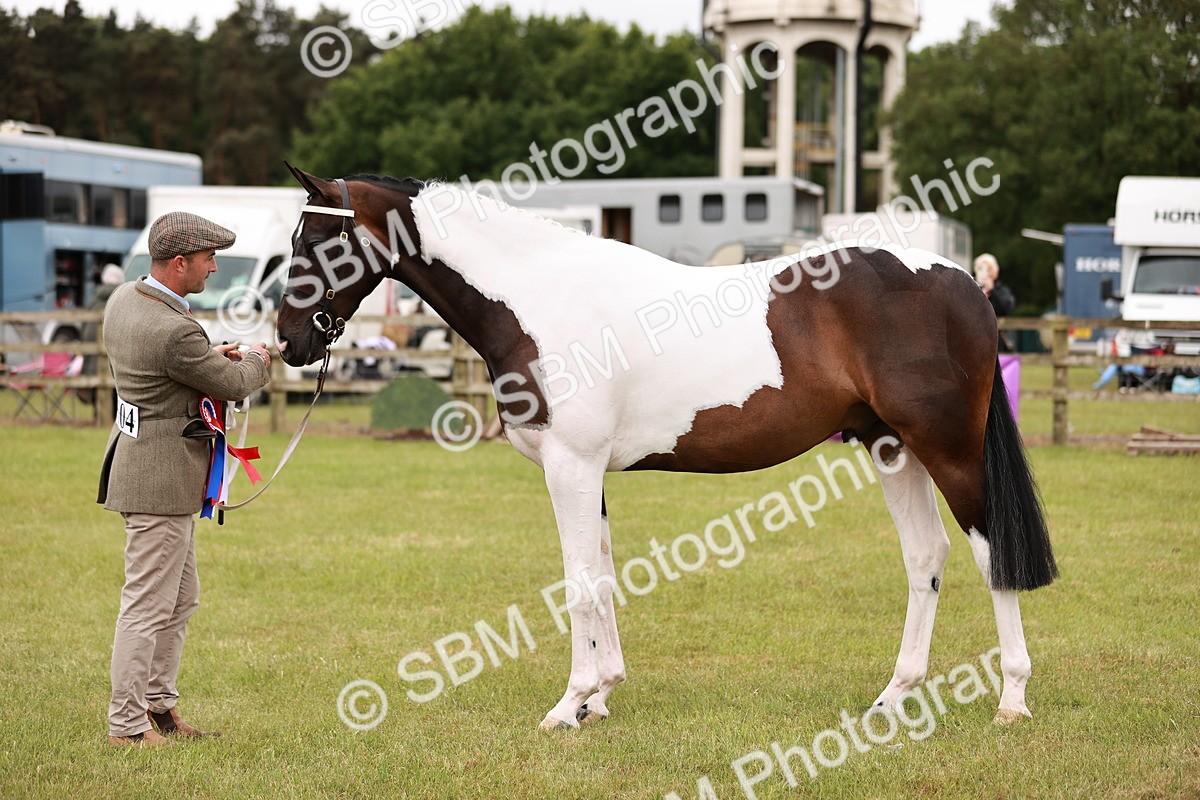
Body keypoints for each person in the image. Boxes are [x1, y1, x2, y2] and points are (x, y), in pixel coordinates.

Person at [97, 211, 272, 748]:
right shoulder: (175, 331)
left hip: (144, 467)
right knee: (149, 606)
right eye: (206, 260)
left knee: (179, 598)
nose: (213, 268)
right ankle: (127, 728)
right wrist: (260, 355)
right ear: (179, 264)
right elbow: (236, 384)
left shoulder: (126, 299)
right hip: (161, 480)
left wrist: (206, 356)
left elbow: (171, 367)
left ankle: (159, 706)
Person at [79, 263, 125, 405]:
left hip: (91, 354)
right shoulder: (121, 301)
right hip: (114, 359)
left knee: (97, 387)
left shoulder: (93, 301)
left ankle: (97, 417)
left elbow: (83, 328)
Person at [975, 253, 1016, 351]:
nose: (985, 272)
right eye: (981, 268)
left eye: (989, 269)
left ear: (995, 271)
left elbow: (1006, 310)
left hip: (997, 342)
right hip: (975, 339)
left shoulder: (1002, 290)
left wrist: (993, 292)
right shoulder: (970, 289)